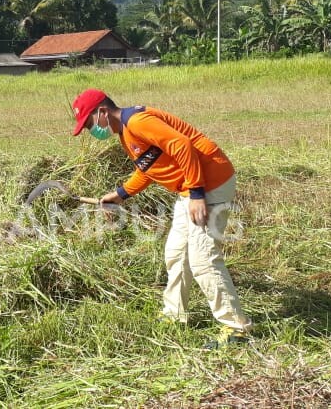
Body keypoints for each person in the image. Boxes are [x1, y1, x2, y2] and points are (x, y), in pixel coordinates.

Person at [71, 88, 252, 349]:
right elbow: (149, 168)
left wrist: (198, 193)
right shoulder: (126, 132)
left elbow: (181, 145)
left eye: (89, 124)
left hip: (210, 183)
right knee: (177, 251)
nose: (91, 130)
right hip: (190, 188)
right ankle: (174, 314)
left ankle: (237, 329)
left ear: (101, 111)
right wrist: (121, 194)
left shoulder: (138, 122)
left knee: (203, 257)